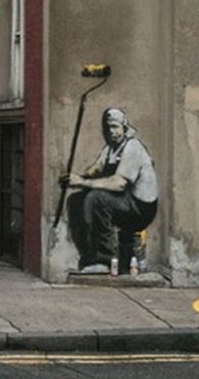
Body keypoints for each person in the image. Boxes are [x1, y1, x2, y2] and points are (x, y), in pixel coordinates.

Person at [62, 107, 158, 274]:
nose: (111, 131)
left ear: (124, 127)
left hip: (141, 208)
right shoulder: (110, 149)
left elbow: (119, 184)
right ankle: (88, 257)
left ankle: (104, 260)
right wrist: (76, 178)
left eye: (115, 127)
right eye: (108, 127)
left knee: (96, 199)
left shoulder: (133, 147)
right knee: (76, 200)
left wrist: (83, 182)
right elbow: (96, 169)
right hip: (123, 201)